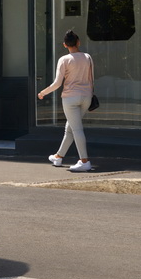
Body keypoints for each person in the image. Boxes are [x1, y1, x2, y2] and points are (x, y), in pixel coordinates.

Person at [37, 29, 95, 173]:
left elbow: (57, 83)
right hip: (86, 97)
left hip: (70, 98)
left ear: (64, 45)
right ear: (78, 42)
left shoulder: (64, 60)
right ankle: (58, 156)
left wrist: (43, 93)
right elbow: (92, 79)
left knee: (76, 129)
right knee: (70, 128)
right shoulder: (87, 57)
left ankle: (84, 161)